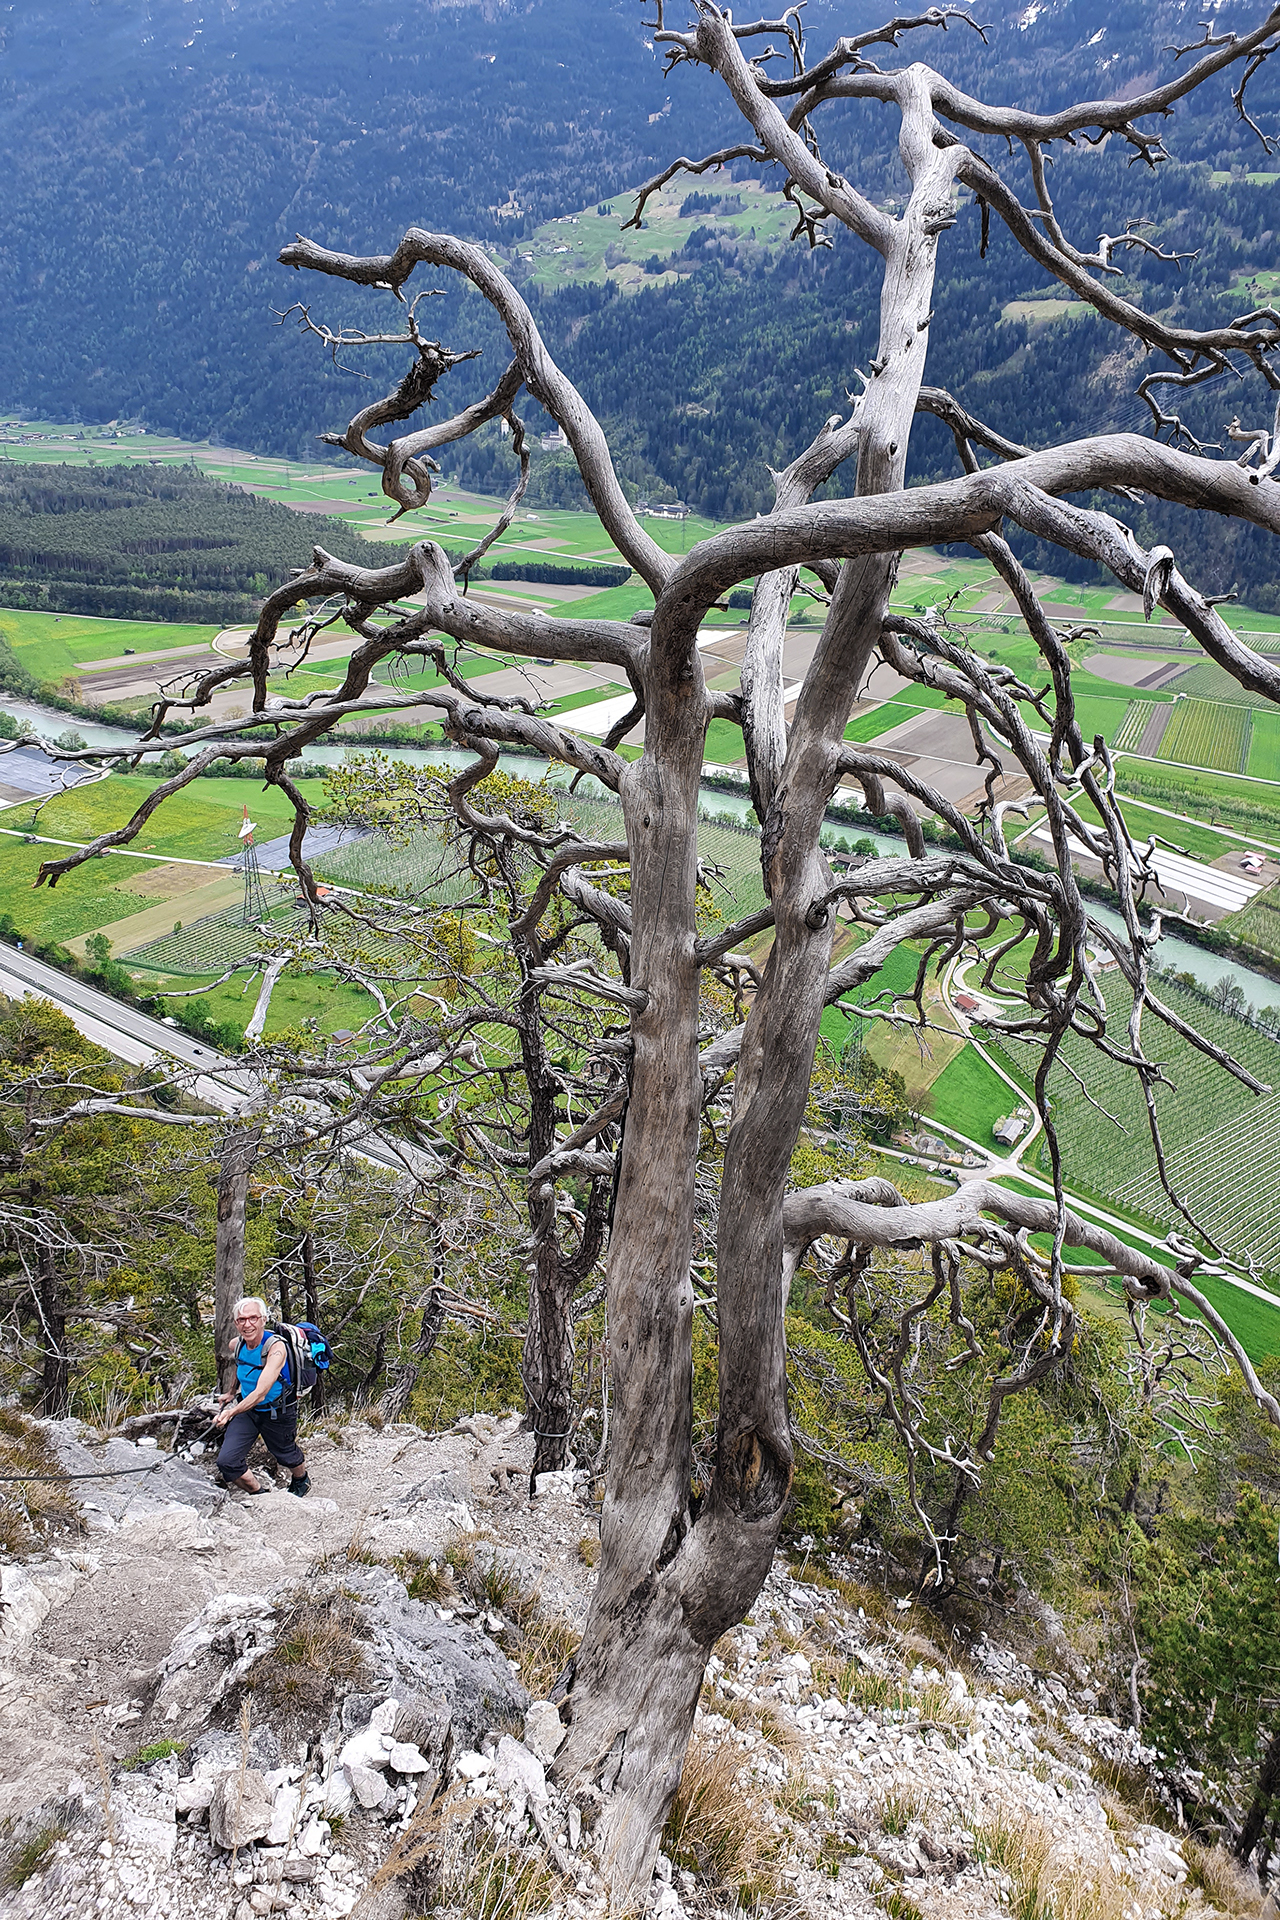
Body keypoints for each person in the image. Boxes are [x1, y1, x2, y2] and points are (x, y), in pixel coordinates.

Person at [212, 1296, 310, 1496]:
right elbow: (241, 1367)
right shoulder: (237, 1344)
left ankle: (301, 1479)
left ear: (264, 1319)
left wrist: (230, 1413)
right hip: (248, 1411)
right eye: (241, 1320)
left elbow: (260, 1392)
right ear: (235, 1323)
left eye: (253, 1318)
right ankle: (260, 1495)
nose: (247, 1324)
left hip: (277, 1411)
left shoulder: (276, 1349)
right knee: (227, 1461)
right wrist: (231, 1393)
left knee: (285, 1453)